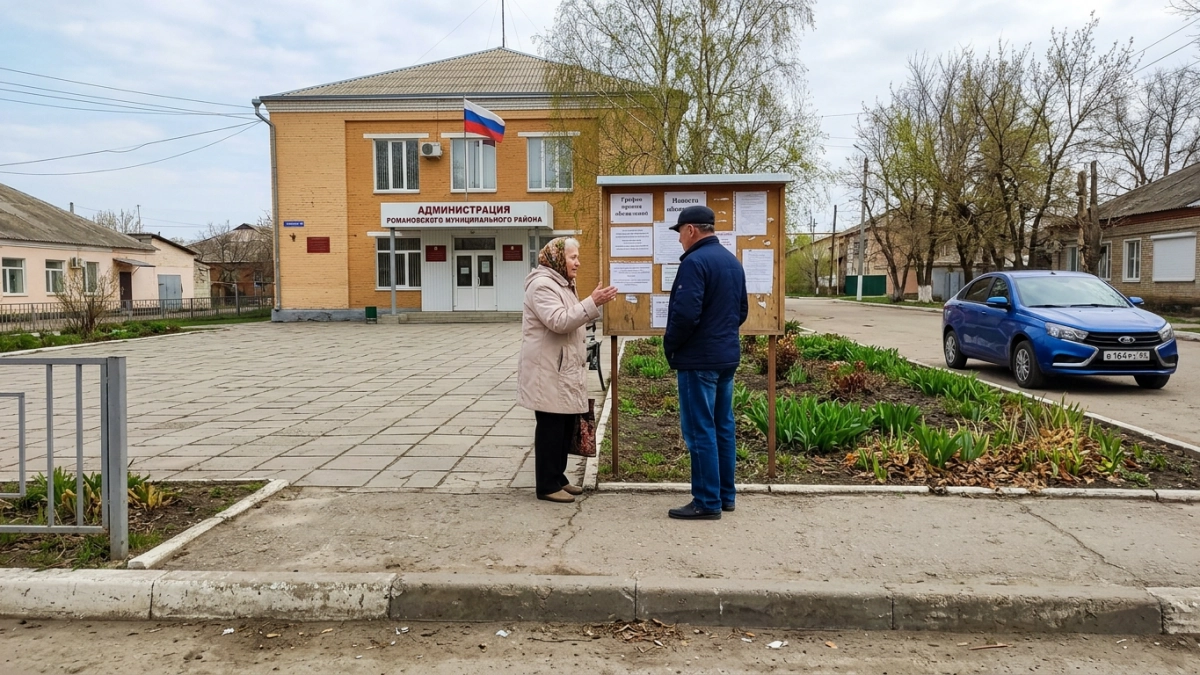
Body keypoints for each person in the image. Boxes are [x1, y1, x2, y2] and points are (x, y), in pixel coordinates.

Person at [663, 205, 748, 520]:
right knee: (723, 426)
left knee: (700, 430)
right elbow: (741, 312)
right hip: (726, 358)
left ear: (690, 230)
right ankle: (725, 496)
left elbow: (685, 315)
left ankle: (706, 501)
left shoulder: (694, 262)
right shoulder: (731, 262)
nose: (679, 241)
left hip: (698, 361)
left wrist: (671, 346)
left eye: (680, 234)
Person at [518, 237, 618, 503]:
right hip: (547, 371)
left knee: (563, 426)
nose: (578, 262)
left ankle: (558, 478)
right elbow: (559, 321)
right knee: (551, 428)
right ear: (558, 259)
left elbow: (571, 314)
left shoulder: (560, 283)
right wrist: (591, 302)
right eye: (573, 257)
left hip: (560, 369)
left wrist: (590, 304)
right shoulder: (541, 286)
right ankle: (547, 485)